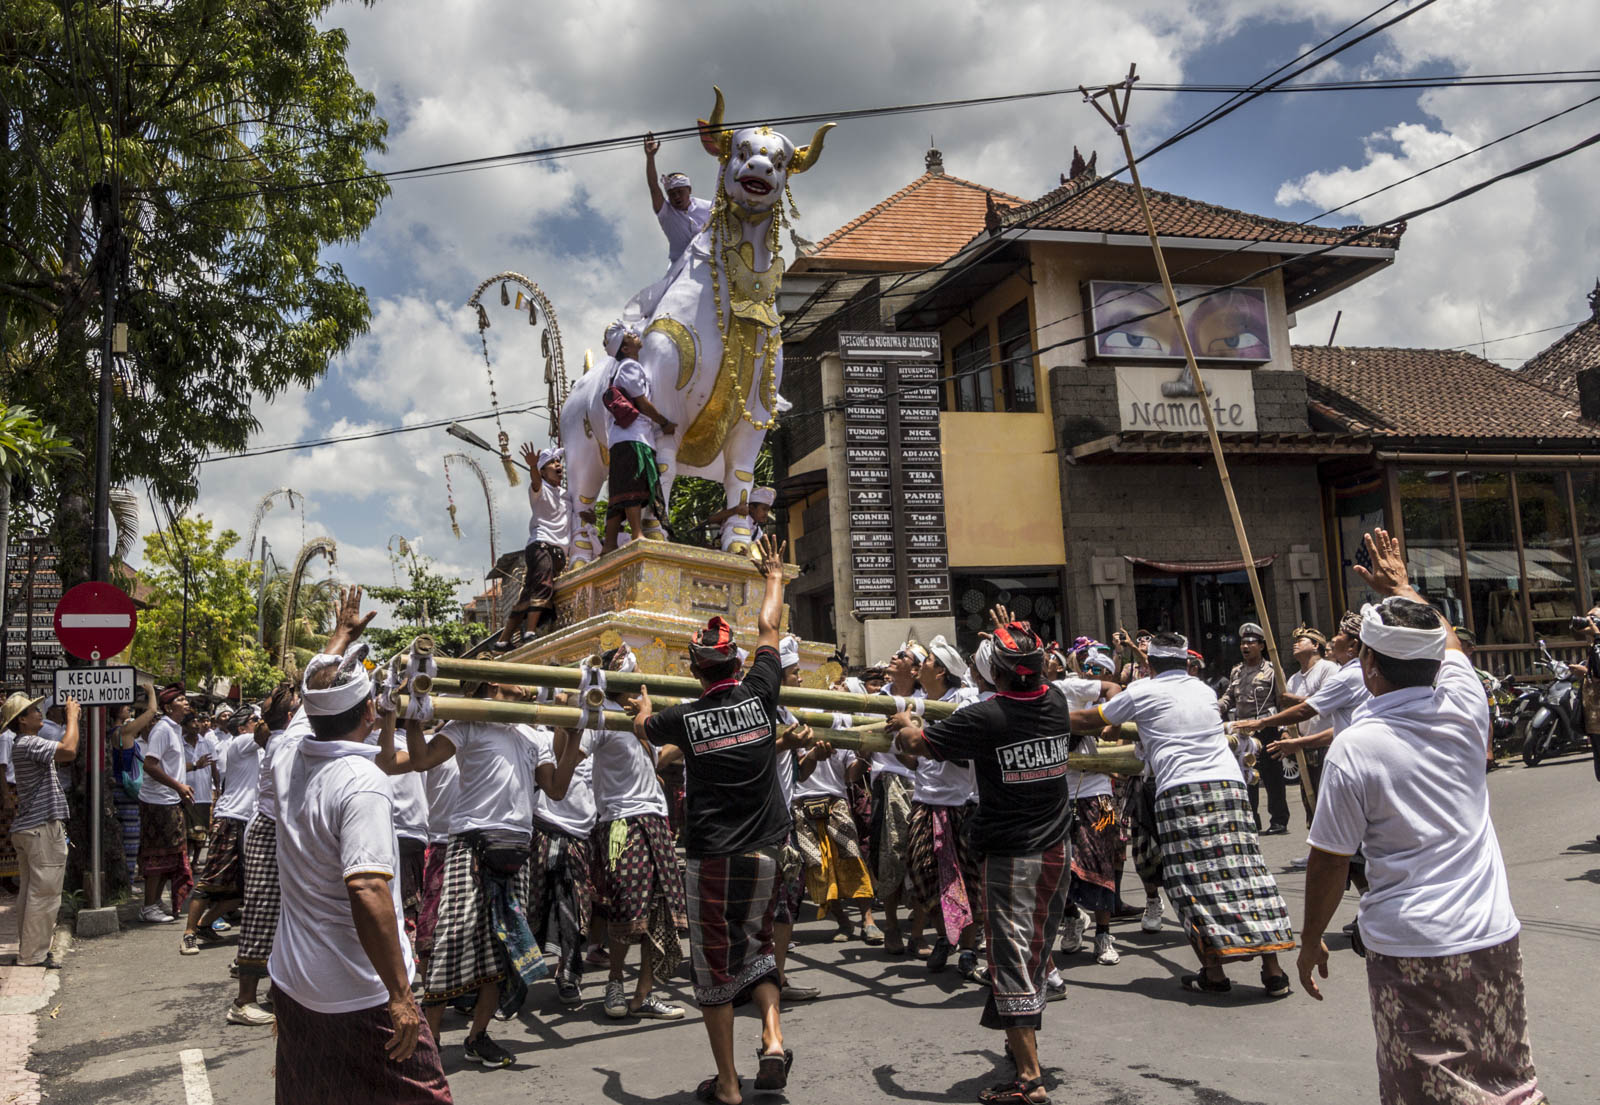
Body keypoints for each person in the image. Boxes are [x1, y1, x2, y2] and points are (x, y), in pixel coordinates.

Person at [1299, 528, 1544, 1105]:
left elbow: (1330, 861)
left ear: (1367, 666)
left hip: (1412, 949)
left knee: (1427, 1093)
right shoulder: (1465, 704)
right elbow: (1452, 644)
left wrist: (1310, 938)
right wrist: (1404, 585)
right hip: (1492, 936)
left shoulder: (1357, 747)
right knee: (1508, 1080)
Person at [266, 591, 454, 1105]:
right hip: (358, 989)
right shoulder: (360, 780)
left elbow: (313, 696)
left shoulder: (288, 751)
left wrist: (341, 636)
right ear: (371, 710)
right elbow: (367, 887)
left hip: (297, 981)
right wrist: (400, 996)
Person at [631, 535, 797, 1105]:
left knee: (714, 968)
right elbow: (769, 629)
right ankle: (772, 1040)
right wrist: (773, 575)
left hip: (711, 856)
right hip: (766, 852)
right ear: (734, 662)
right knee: (757, 950)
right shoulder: (760, 692)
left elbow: (645, 735)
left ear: (696, 668)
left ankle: (728, 1083)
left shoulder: (684, 717)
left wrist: (647, 711)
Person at [887, 615, 1073, 1105]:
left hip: (1012, 857)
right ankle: (1021, 1053)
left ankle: (1030, 1078)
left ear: (997, 673)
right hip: (1057, 851)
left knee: (1009, 959)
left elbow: (913, 745)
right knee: (1032, 955)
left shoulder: (985, 716)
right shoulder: (1054, 702)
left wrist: (908, 720)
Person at [1081, 631, 1296, 997]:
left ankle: (1213, 972)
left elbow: (1091, 720)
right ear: (1184, 662)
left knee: (1192, 880)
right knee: (1247, 872)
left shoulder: (1143, 691)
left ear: (1150, 664)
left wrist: (1036, 713)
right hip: (1229, 787)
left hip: (1181, 791)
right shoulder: (1203, 690)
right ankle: (1272, 970)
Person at [403, 679, 584, 1068]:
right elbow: (420, 760)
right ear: (494, 684)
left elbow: (556, 788)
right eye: (516, 678)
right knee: (452, 944)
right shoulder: (471, 721)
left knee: (501, 952)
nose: (526, 686)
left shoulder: (531, 733)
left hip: (515, 850)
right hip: (473, 844)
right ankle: (428, 1042)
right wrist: (414, 720)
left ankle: (477, 1036)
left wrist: (575, 735)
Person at [574, 644, 687, 1020]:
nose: (639, 687)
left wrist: (673, 728)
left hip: (655, 820)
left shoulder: (640, 721)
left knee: (658, 910)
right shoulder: (602, 715)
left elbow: (657, 758)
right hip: (621, 822)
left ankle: (644, 991)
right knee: (624, 906)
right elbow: (576, 753)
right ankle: (615, 983)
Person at [900, 636, 985, 980]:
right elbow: (913, 760)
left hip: (959, 806)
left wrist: (912, 733)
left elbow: (957, 753)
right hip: (924, 802)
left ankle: (967, 947)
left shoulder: (963, 703)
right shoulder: (916, 702)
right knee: (924, 876)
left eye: (929, 661)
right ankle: (943, 936)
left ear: (943, 672)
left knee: (965, 882)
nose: (922, 665)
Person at [234, 682, 300, 1027]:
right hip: (269, 830)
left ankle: (277, 992)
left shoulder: (282, 739)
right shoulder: (282, 742)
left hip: (280, 831)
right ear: (291, 717)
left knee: (283, 915)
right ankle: (244, 1000)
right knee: (262, 912)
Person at [1051, 662, 1125, 965]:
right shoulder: (1026, 697)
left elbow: (1113, 688)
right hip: (1056, 792)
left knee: (1102, 857)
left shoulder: (1068, 687)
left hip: (1097, 789)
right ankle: (1071, 918)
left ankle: (1104, 934)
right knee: (1058, 864)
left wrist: (1113, 719)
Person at [3, 691, 80, 968]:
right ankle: (33, 955)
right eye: (33, 711)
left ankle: (30, 950)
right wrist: (72, 718)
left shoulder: (24, 743)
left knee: (31, 893)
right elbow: (69, 750)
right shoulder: (28, 743)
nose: (40, 713)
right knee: (45, 894)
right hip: (39, 827)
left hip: (30, 828)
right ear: (22, 721)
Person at [527, 714, 597, 1010]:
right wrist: (564, 726)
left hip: (580, 835)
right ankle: (515, 977)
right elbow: (557, 758)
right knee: (535, 907)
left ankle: (568, 974)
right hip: (545, 827)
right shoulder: (542, 738)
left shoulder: (594, 736)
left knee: (573, 907)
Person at [182, 710, 264, 955]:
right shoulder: (240, 743)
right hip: (231, 819)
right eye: (254, 721)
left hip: (249, 821)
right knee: (211, 880)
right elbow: (271, 729)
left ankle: (204, 924)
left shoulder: (258, 748)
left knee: (245, 887)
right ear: (241, 728)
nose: (259, 724)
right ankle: (188, 934)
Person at [600, 321, 677, 553]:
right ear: (625, 348)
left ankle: (610, 543)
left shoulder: (621, 369)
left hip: (622, 439)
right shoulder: (630, 367)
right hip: (634, 438)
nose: (635, 335)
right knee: (632, 487)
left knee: (618, 492)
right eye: (630, 336)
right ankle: (637, 534)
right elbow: (642, 403)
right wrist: (664, 423)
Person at [493, 444, 570, 652]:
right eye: (552, 463)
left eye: (558, 461)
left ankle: (504, 639)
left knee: (528, 594)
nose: (557, 465)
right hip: (542, 544)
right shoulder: (539, 489)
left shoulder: (567, 495)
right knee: (543, 585)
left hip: (557, 551)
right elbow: (535, 482)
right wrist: (533, 467)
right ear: (544, 472)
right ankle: (530, 632)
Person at [1218, 622, 1288, 834]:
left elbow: (1282, 700)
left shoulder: (1272, 670)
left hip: (1266, 727)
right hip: (1243, 731)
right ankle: (1251, 819)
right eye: (1243, 643)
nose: (1245, 647)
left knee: (1272, 775)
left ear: (1261, 646)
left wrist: (1284, 728)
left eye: (1250, 642)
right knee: (1247, 775)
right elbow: (1229, 697)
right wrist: (1215, 707)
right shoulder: (1237, 671)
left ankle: (1279, 820)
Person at [140, 686, 196, 924]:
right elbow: (150, 765)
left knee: (170, 857)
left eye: (185, 699)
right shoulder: (162, 730)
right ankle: (147, 906)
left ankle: (154, 902)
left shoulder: (175, 730)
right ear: (167, 707)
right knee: (157, 856)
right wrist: (178, 786)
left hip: (170, 801)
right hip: (158, 802)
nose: (186, 703)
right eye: (180, 700)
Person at [644, 133, 712, 263]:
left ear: (689, 190)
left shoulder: (709, 207)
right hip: (680, 270)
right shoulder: (667, 213)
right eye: (671, 194)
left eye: (680, 192)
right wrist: (650, 157)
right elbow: (653, 187)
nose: (676, 197)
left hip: (712, 262)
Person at [182, 712, 219, 868]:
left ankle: (196, 861)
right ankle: (186, 860)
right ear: (184, 726)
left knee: (201, 830)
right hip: (186, 793)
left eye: (197, 721)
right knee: (187, 831)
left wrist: (218, 788)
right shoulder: (179, 743)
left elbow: (214, 768)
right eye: (192, 721)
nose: (196, 724)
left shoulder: (207, 743)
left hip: (203, 794)